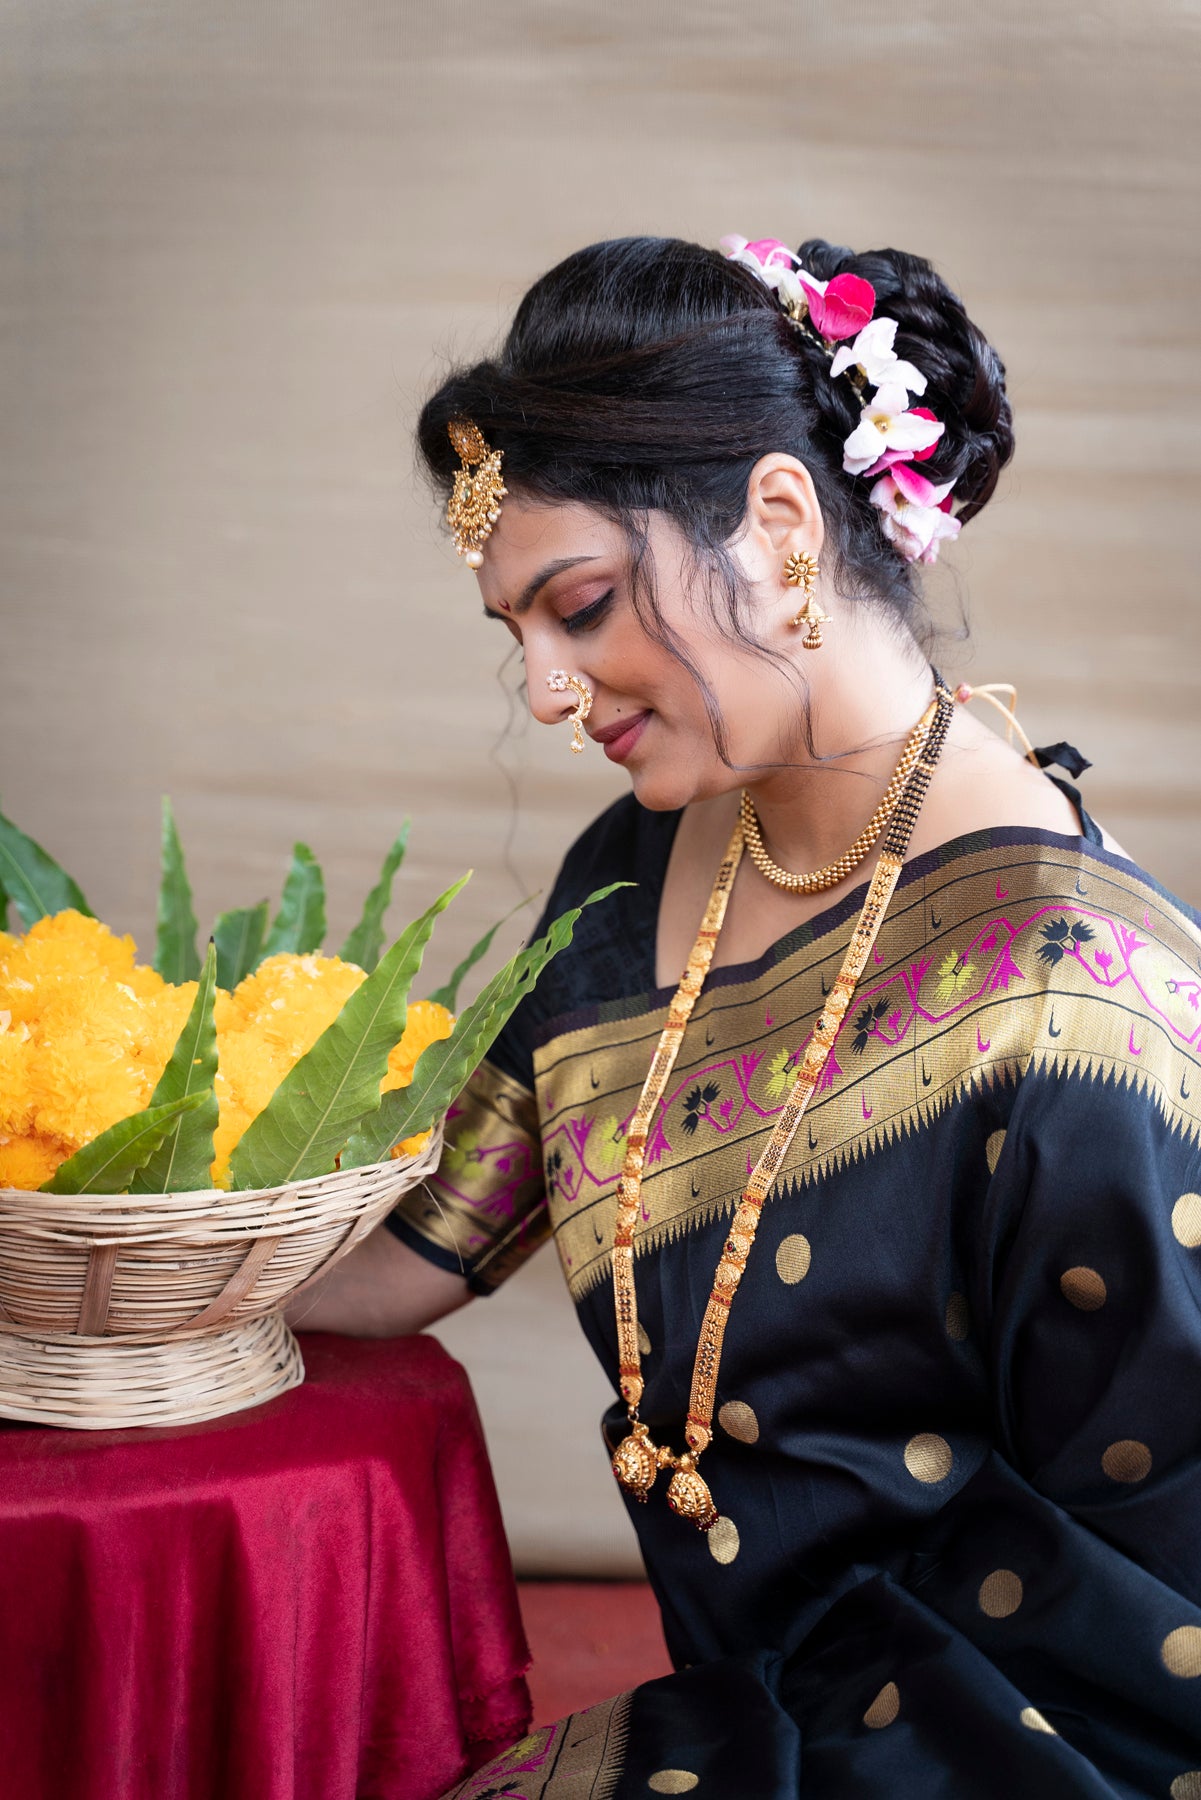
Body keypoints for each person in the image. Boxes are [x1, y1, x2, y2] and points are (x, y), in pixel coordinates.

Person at [296, 235, 1201, 1797]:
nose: (546, 691)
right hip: (758, 1708)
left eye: (576, 605)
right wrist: (100, 1263)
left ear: (778, 518)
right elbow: (415, 1244)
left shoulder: (1062, 999)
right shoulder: (640, 861)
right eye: (514, 633)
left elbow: (1152, 1581)